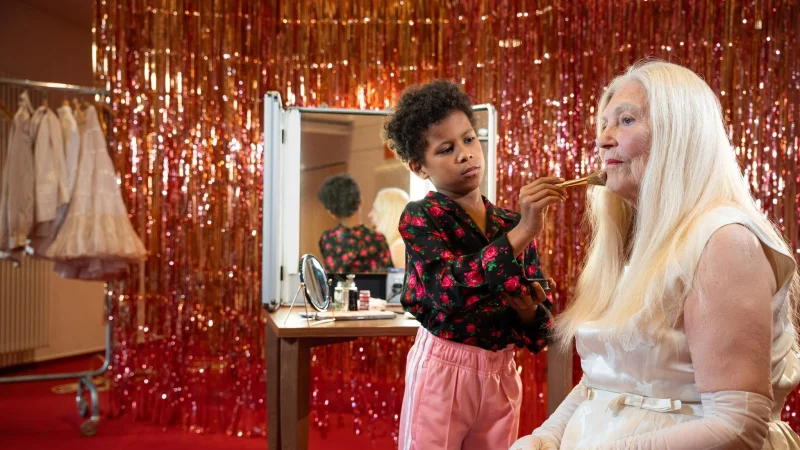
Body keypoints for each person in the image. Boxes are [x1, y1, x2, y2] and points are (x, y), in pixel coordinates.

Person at [511, 60, 800, 449]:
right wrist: (543, 438)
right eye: (604, 125)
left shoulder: (725, 241)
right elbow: (604, 382)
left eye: (626, 120)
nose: (604, 140)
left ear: (679, 134)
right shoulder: (639, 244)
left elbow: (737, 425)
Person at [384, 79, 565, 450]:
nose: (465, 154)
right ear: (419, 167)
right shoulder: (420, 217)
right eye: (446, 148)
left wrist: (531, 311)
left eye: (469, 139)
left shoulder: (510, 223)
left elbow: (541, 332)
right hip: (443, 367)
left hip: (501, 371)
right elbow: (447, 289)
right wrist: (525, 231)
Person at [317, 173, 391, 273]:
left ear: (331, 213)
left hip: (337, 289)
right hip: (371, 289)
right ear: (361, 201)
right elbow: (387, 278)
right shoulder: (377, 239)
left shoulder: (327, 239)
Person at [368, 187, 409, 268]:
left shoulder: (398, 247)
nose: (370, 215)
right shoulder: (397, 245)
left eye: (375, 210)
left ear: (388, 214)